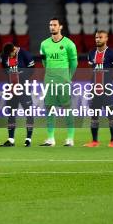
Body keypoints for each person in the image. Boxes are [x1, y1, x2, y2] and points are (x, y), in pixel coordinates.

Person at [39, 17, 78, 147]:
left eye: (55, 25)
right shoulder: (44, 44)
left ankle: (70, 139)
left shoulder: (69, 44)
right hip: (49, 81)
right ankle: (51, 139)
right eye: (50, 25)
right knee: (49, 108)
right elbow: (44, 61)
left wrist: (68, 77)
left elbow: (74, 63)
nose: (52, 27)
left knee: (67, 108)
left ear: (60, 27)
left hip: (63, 81)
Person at [84, 30, 113, 147]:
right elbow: (91, 69)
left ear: (106, 39)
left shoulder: (111, 53)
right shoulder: (91, 53)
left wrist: (109, 80)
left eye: (100, 37)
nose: (97, 39)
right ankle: (94, 141)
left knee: (111, 116)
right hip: (95, 90)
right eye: (96, 37)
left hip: (107, 90)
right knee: (94, 116)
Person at [0, 42, 36, 147]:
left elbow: (32, 69)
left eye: (10, 54)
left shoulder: (24, 54)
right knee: (11, 114)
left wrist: (21, 76)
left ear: (14, 50)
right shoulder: (4, 56)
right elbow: (4, 69)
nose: (9, 56)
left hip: (24, 89)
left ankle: (28, 139)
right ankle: (11, 139)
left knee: (28, 113)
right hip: (11, 90)